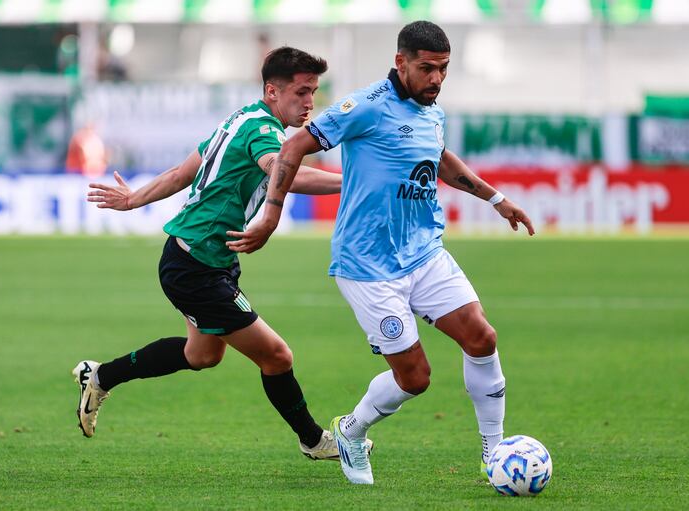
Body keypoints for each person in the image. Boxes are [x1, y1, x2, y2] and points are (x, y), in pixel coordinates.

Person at [227, 22, 535, 485]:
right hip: (368, 266)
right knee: (415, 378)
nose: (436, 79)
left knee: (482, 338)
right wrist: (271, 214)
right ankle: (352, 430)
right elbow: (293, 146)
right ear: (400, 62)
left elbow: (441, 156)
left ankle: (494, 453)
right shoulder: (365, 107)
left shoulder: (432, 111)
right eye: (426, 68)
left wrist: (495, 199)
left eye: (443, 69)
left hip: (425, 252)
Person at [74, 46, 371, 463]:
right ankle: (313, 439)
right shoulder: (262, 131)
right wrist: (354, 181)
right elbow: (283, 171)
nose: (309, 103)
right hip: (196, 269)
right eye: (301, 92)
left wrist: (134, 200)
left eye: (313, 92)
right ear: (272, 91)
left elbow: (184, 173)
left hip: (200, 259)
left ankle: (102, 375)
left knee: (202, 355)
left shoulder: (241, 118)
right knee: (277, 355)